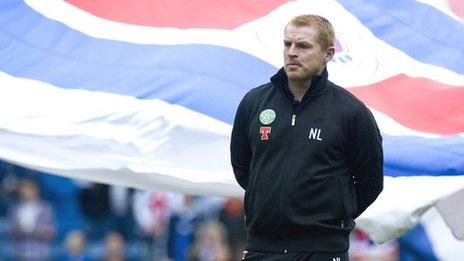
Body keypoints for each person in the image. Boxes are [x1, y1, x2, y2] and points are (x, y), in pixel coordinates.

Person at [230, 14, 383, 260]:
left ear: (328, 54)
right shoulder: (254, 103)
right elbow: (243, 168)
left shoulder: (351, 112)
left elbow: (370, 182)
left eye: (303, 46)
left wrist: (332, 214)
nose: (292, 52)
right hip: (262, 247)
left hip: (323, 250)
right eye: (287, 44)